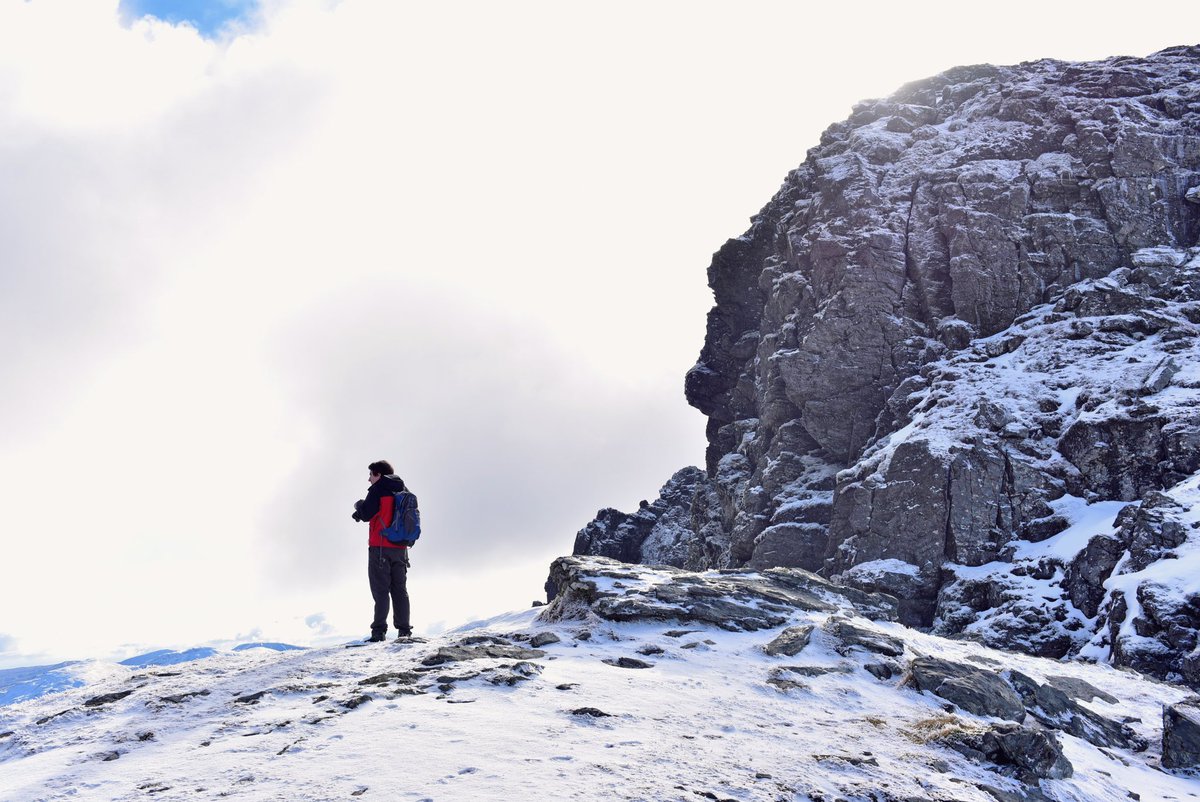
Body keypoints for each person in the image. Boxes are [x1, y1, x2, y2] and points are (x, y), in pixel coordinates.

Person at [352, 460, 412, 642]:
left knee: (380, 591)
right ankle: (404, 630)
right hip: (401, 548)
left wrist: (358, 507)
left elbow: (367, 514)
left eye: (371, 474)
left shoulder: (378, 489)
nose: (369, 479)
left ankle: (378, 632)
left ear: (378, 474)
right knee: (400, 590)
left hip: (380, 547)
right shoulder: (403, 490)